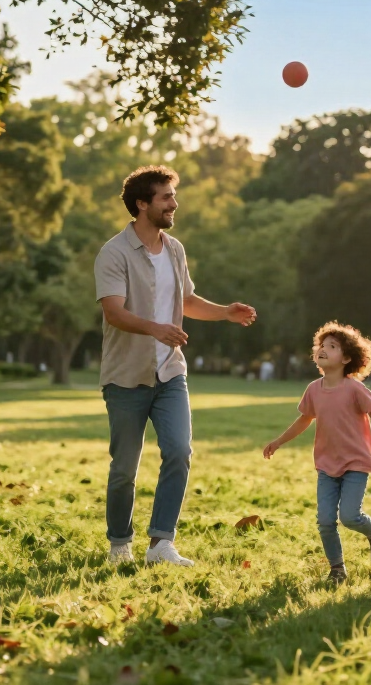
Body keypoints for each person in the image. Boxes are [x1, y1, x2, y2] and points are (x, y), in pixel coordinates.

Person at [94, 166, 257, 567]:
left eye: (173, 195)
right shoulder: (113, 253)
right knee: (124, 470)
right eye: (166, 197)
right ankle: (119, 544)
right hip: (125, 377)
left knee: (180, 451)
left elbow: (187, 300)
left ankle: (160, 544)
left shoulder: (175, 249)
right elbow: (114, 313)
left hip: (170, 372)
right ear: (142, 204)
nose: (174, 203)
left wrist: (225, 312)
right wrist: (156, 329)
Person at [264, 322, 371, 584]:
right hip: (326, 464)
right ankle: (337, 569)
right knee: (326, 520)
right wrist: (278, 441)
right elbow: (304, 420)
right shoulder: (313, 390)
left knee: (350, 516)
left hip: (356, 462)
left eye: (332, 347)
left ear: (347, 358)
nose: (323, 350)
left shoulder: (354, 389)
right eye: (321, 345)